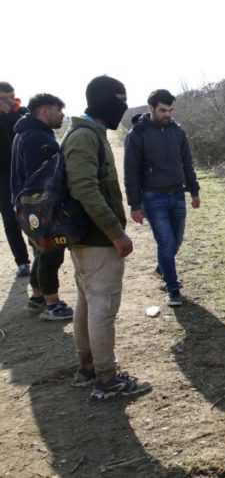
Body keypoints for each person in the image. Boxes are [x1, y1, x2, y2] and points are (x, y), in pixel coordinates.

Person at [64, 75, 151, 400]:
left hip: (89, 239)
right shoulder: (85, 137)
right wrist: (116, 233)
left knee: (88, 302)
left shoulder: (88, 134)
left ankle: (88, 369)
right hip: (97, 240)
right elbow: (84, 188)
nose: (124, 108)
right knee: (103, 306)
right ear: (105, 103)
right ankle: (106, 378)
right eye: (120, 101)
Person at [123, 89, 200, 307]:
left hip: (177, 194)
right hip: (152, 197)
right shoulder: (137, 134)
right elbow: (131, 172)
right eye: (163, 110)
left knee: (176, 241)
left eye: (170, 110)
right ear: (151, 109)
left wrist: (194, 191)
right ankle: (173, 289)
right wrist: (135, 205)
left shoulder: (178, 131)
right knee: (165, 242)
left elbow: (187, 163)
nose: (168, 114)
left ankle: (163, 268)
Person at [11, 93, 72, 320]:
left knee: (40, 251)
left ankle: (37, 298)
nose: (62, 115)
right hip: (40, 208)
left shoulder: (24, 133)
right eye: (59, 110)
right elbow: (46, 180)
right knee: (51, 253)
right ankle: (52, 305)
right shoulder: (39, 138)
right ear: (45, 111)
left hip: (25, 208)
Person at [0, 82, 31, 277]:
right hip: (2, 178)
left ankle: (41, 252)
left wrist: (9, 115)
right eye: (4, 98)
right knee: (10, 220)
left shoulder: (24, 112)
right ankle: (22, 262)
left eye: (12, 96)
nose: (10, 101)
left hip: (25, 173)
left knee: (34, 213)